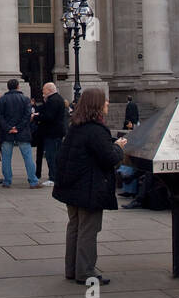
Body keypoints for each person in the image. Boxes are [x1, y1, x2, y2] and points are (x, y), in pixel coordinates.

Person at [52, 88, 127, 285]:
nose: (108, 104)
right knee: (88, 229)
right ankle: (85, 272)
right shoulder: (95, 129)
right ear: (97, 104)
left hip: (72, 186)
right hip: (88, 187)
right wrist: (118, 147)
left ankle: (72, 269)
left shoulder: (77, 126)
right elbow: (109, 158)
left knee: (75, 227)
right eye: (105, 101)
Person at [0, 78, 39, 188]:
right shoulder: (25, 99)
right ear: (18, 86)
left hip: (7, 133)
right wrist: (18, 128)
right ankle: (33, 181)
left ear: (8, 87)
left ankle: (7, 181)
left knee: (6, 158)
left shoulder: (2, 100)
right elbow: (27, 116)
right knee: (27, 157)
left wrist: (8, 128)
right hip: (22, 132)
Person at [37, 82, 67, 187]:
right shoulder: (58, 99)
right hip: (57, 132)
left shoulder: (53, 101)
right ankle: (57, 176)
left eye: (44, 90)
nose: (42, 92)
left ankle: (53, 177)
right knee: (56, 155)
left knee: (51, 155)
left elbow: (48, 117)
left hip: (52, 132)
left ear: (49, 90)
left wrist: (37, 117)